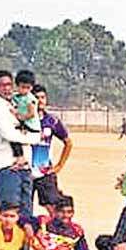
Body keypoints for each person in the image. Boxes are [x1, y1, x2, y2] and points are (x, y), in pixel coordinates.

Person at [0, 70, 32, 217]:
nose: (7, 88)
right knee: (9, 214)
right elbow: (10, 133)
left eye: (9, 85)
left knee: (26, 217)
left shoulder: (17, 103)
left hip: (24, 166)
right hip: (7, 166)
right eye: (2, 85)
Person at [33, 196, 109, 250]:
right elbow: (21, 220)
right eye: (62, 212)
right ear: (55, 212)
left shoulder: (76, 231)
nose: (66, 216)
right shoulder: (43, 223)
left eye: (69, 212)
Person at [32, 84, 73, 218]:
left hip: (44, 170)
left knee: (53, 207)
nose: (40, 101)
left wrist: (59, 165)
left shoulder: (52, 121)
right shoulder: (23, 120)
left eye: (42, 97)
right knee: (23, 208)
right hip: (25, 171)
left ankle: (57, 233)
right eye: (36, 97)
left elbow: (68, 142)